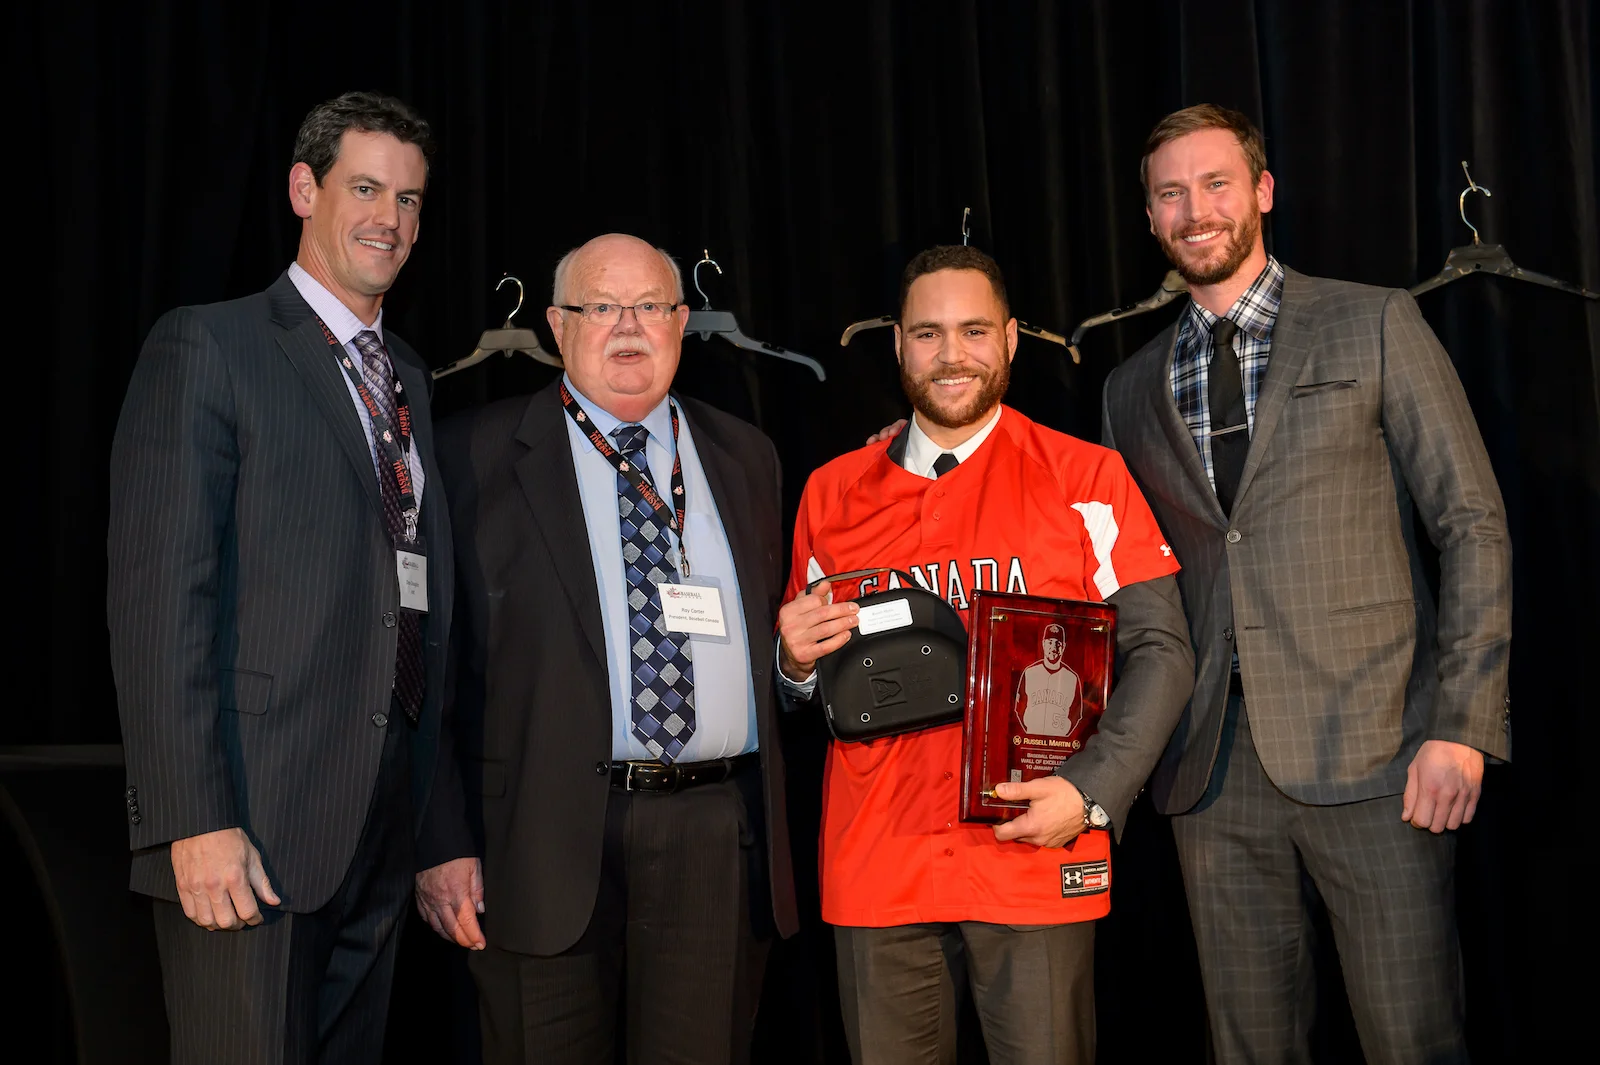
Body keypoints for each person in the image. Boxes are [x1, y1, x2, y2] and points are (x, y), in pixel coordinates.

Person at [1101, 104, 1511, 1063]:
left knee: (1414, 1040)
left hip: (1383, 761)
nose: (1194, 210)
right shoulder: (1129, 389)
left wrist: (1464, 725)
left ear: (1262, 192)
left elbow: (1472, 524)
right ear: (1151, 216)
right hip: (1208, 778)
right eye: (1171, 192)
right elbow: (1124, 573)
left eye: (1214, 184)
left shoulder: (1373, 320)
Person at [777, 244, 1195, 1065]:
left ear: (1009, 340)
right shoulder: (832, 491)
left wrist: (1093, 792)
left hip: (1033, 852)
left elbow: (1163, 651)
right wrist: (790, 665)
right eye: (928, 333)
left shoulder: (1088, 477)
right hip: (878, 864)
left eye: (973, 330)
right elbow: (807, 683)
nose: (951, 354)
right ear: (897, 344)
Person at [107, 91, 450, 1064]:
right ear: (305, 189)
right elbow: (159, 601)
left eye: (412, 200)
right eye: (367, 188)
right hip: (251, 824)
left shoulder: (411, 380)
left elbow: (419, 597)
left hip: (379, 823)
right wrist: (194, 818)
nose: (391, 219)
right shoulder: (210, 347)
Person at [415, 233, 797, 1065]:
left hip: (710, 835)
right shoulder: (468, 456)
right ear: (557, 324)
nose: (628, 328)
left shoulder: (746, 456)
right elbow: (426, 667)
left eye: (650, 307)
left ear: (682, 321)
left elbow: (778, 651)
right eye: (601, 307)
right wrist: (439, 839)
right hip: (536, 841)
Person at [1015, 623, 1080, 737]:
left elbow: (1077, 714)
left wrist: (1064, 736)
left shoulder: (1072, 678)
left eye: (1058, 643)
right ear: (1043, 644)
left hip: (1059, 743)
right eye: (1050, 642)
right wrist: (1028, 732)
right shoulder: (1030, 673)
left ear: (1063, 646)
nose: (1053, 648)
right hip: (1031, 740)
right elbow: (1019, 708)